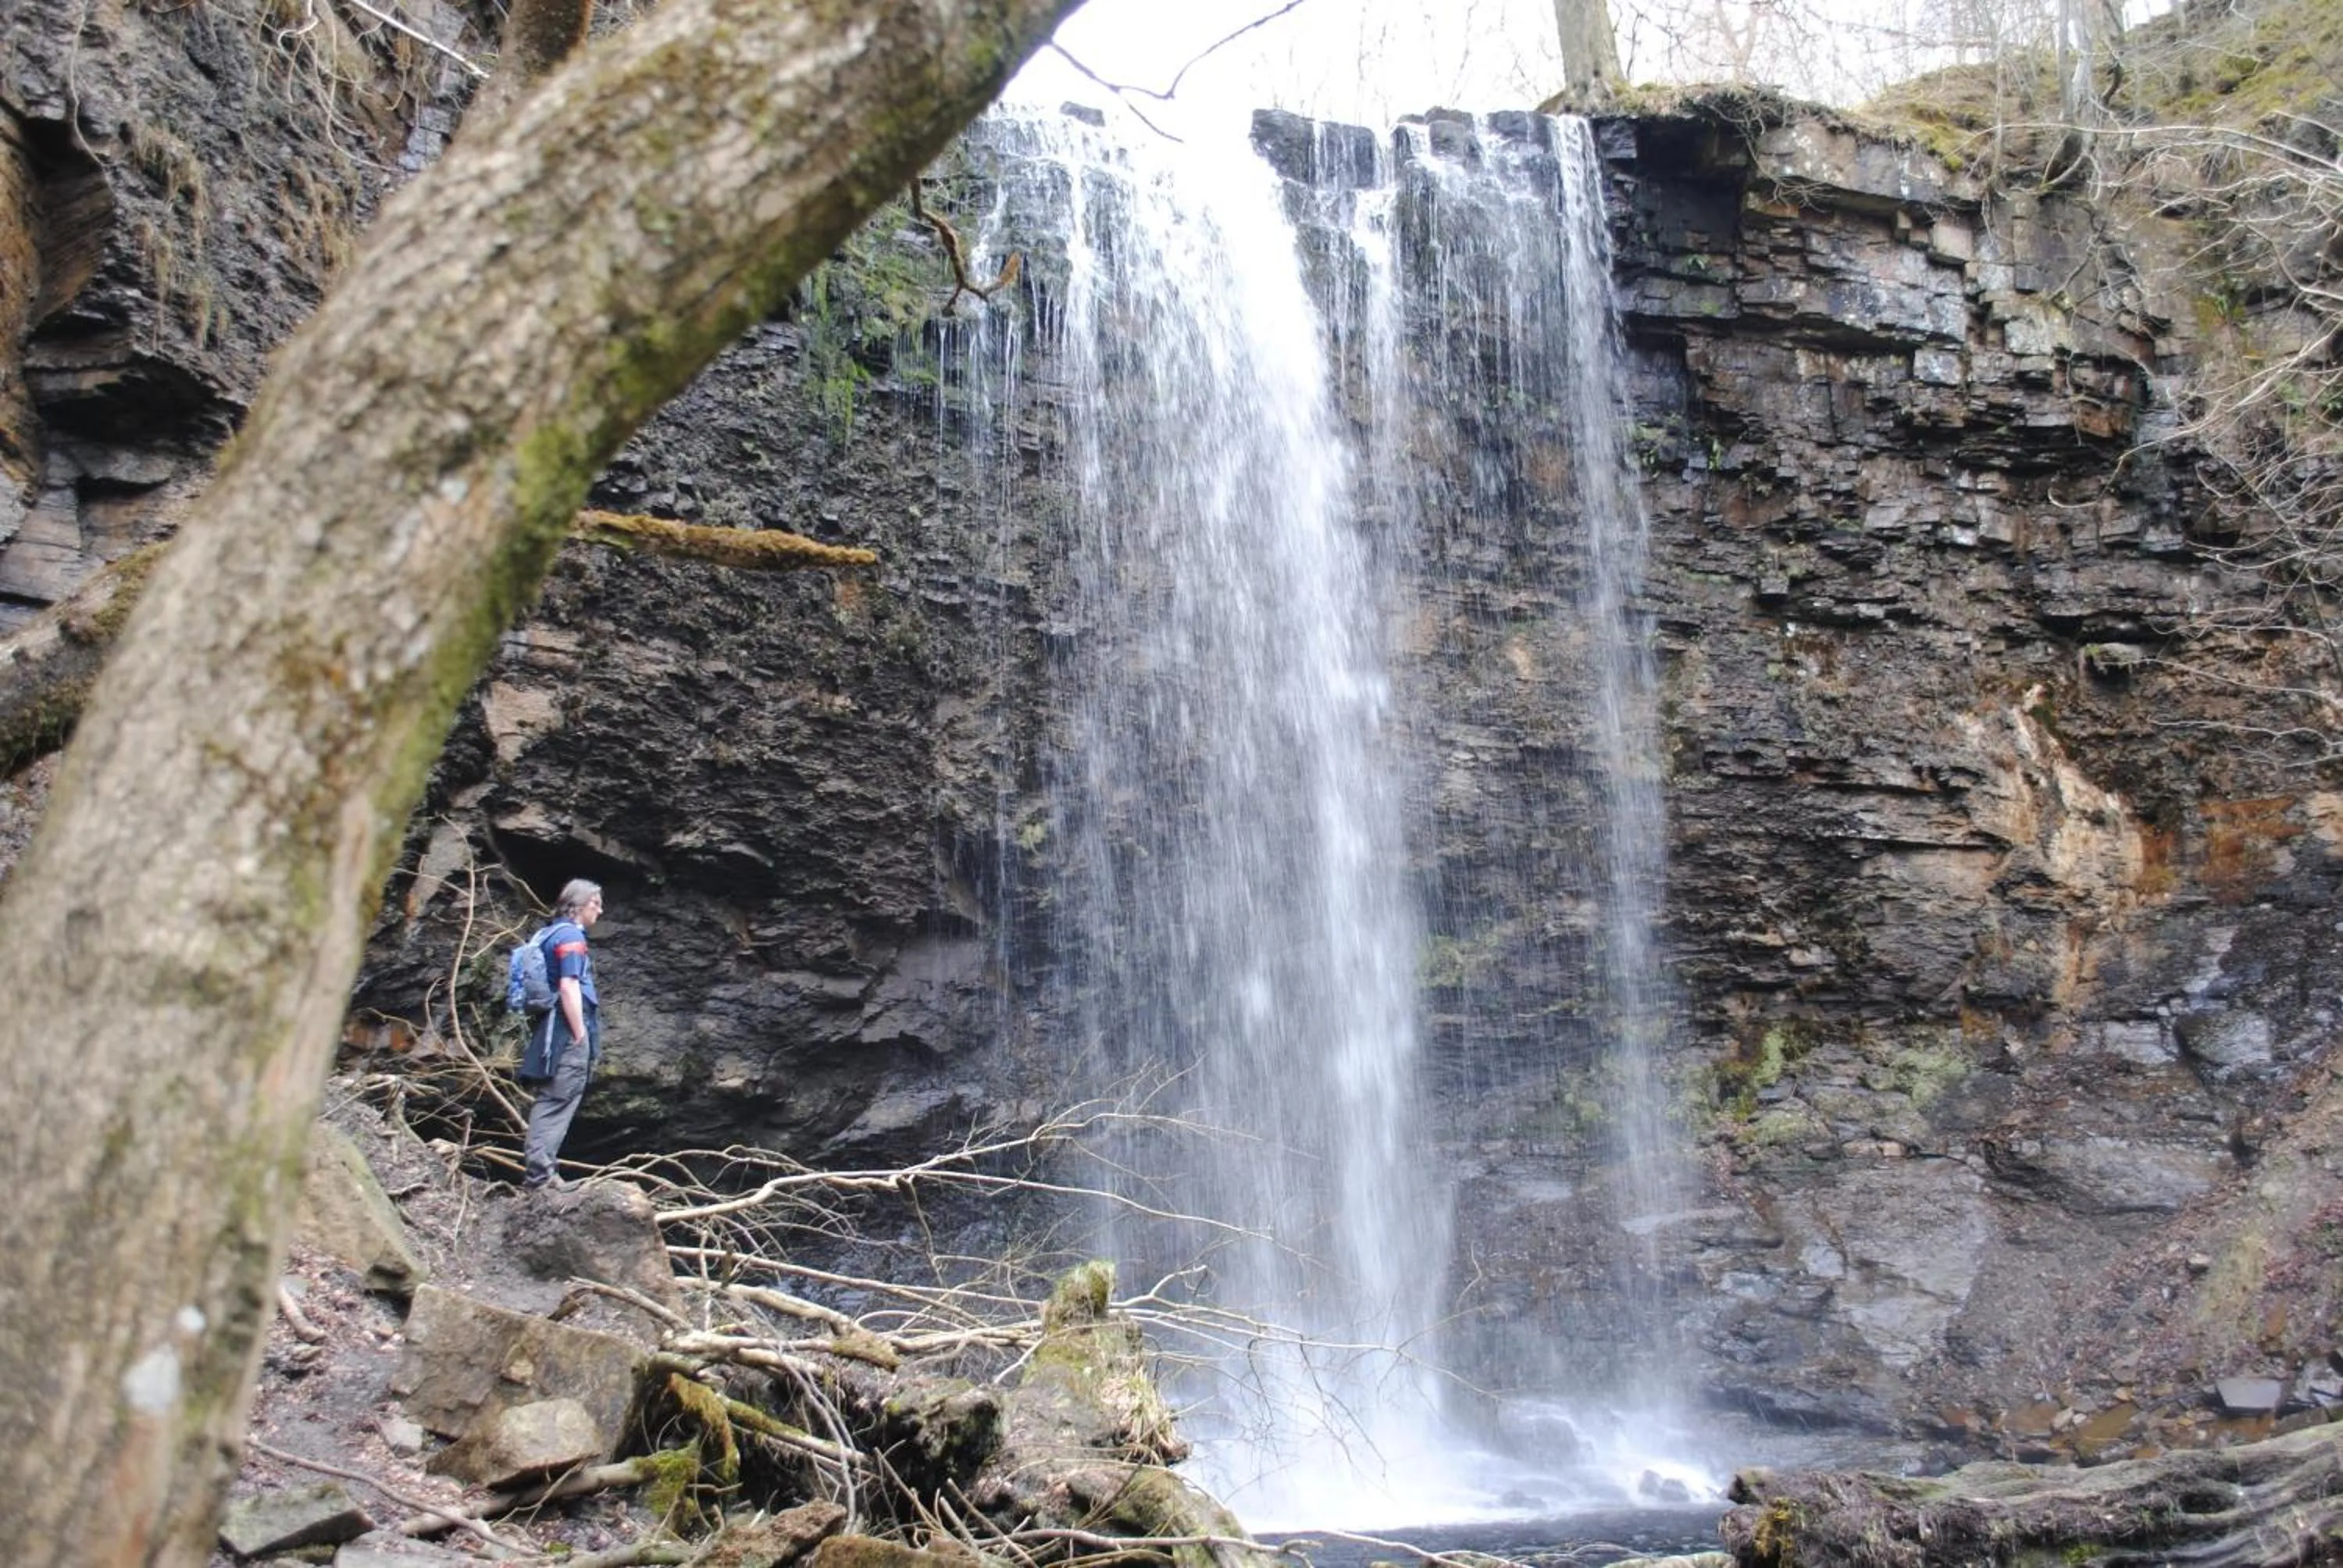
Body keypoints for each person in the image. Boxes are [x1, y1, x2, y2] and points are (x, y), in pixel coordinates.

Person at [519, 878, 604, 1192]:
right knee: (557, 1099)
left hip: (552, 1031)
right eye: (595, 903)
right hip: (567, 1032)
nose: (600, 909)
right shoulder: (571, 936)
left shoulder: (549, 933)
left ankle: (543, 1173)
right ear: (578, 904)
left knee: (555, 1097)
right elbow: (569, 986)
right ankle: (540, 1177)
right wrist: (580, 1034)